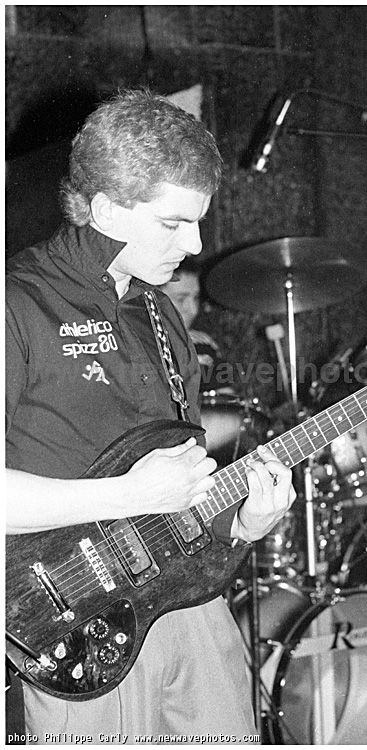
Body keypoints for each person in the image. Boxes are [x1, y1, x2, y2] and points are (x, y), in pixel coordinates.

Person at [6, 89, 295, 744]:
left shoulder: (160, 314)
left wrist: (242, 526)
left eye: (198, 222)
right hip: (71, 625)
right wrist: (128, 495)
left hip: (189, 608)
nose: (195, 244)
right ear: (106, 209)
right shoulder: (17, 304)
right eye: (172, 223)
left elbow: (180, 497)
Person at [159, 258, 232, 393]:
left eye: (196, 298)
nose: (193, 310)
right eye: (181, 299)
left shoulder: (200, 345)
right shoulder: (128, 345)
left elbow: (224, 400)